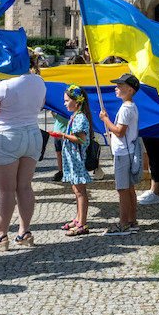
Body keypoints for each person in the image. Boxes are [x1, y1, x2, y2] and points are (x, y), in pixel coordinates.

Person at [0, 54, 48, 249]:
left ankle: (1, 235)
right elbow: (41, 105)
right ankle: (24, 232)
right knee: (25, 186)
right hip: (32, 134)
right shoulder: (39, 81)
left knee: (6, 190)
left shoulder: (5, 85)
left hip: (8, 136)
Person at [99, 73, 142, 235]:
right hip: (128, 150)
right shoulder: (132, 107)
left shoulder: (125, 109)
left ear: (130, 90)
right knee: (129, 188)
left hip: (123, 153)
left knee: (122, 189)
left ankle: (123, 223)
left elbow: (120, 132)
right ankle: (132, 220)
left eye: (120, 86)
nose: (116, 88)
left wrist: (105, 120)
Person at [54, 85, 94, 236]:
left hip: (77, 159)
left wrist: (62, 135)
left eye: (66, 100)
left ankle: (82, 223)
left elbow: (81, 140)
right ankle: (78, 219)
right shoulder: (74, 116)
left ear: (77, 102)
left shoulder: (80, 118)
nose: (64, 103)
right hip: (72, 159)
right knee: (76, 190)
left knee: (80, 192)